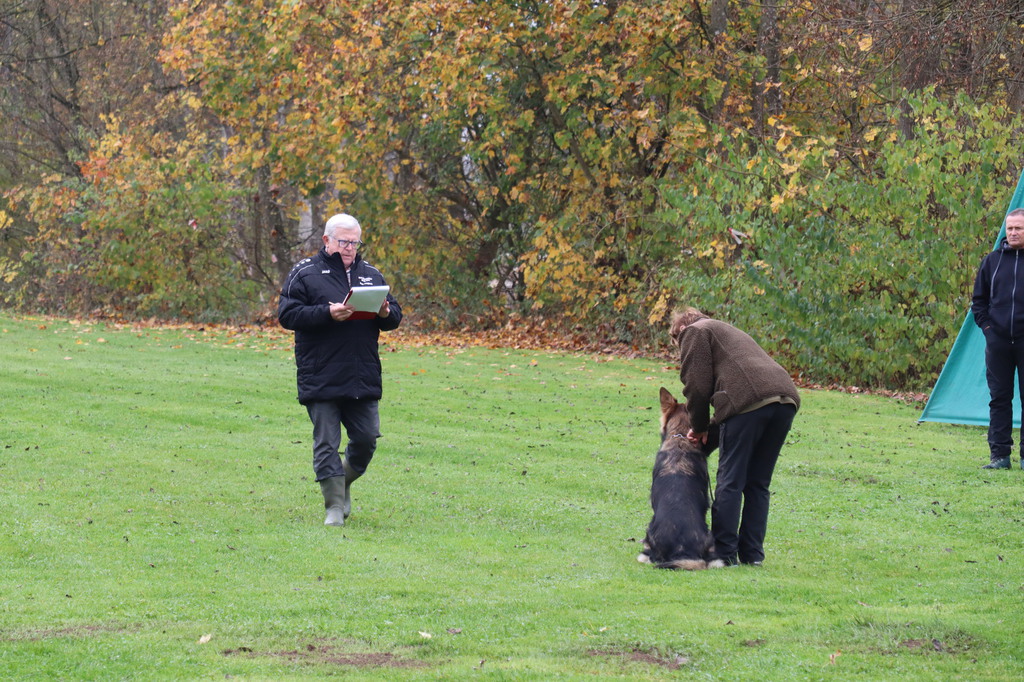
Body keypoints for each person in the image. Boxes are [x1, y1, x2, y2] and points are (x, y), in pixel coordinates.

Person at [278, 213, 403, 526]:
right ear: (327, 240)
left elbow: (394, 317)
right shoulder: (304, 272)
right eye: (344, 242)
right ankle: (334, 507)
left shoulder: (370, 274)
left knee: (367, 438)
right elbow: (288, 315)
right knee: (326, 442)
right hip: (320, 373)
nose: (350, 248)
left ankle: (342, 480)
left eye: (354, 243)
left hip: (362, 374)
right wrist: (327, 313)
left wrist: (386, 311)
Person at [670, 307, 799, 567]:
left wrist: (698, 425)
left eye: (677, 344)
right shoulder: (727, 331)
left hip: (750, 402)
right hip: (786, 400)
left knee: (730, 479)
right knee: (758, 483)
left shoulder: (695, 331)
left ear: (680, 330)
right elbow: (733, 403)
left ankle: (724, 554)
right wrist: (706, 432)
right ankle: (752, 556)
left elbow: (697, 386)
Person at [971, 208, 1024, 470]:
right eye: (1010, 228)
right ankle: (1000, 456)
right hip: (998, 342)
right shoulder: (992, 261)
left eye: (1019, 228)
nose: (1013, 233)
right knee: (999, 399)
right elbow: (978, 302)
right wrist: (989, 330)